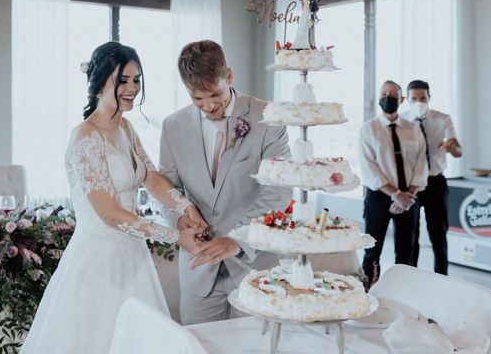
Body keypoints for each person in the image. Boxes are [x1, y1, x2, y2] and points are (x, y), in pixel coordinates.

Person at [20, 42, 206, 353]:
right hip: (97, 264)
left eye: (136, 80)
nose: (132, 88)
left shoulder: (126, 128)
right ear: (100, 82)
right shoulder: (84, 137)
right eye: (123, 80)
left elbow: (151, 177)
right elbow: (108, 213)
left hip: (132, 257)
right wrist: (175, 236)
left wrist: (187, 207)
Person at [159, 40, 292, 325]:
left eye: (215, 94)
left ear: (229, 76)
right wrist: (180, 222)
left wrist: (237, 240)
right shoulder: (172, 126)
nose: (208, 106)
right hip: (199, 269)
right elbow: (168, 190)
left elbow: (278, 193)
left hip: (257, 269)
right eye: (197, 98)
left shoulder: (269, 118)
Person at [358, 80, 428, 288]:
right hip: (379, 197)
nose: (388, 97)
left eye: (393, 94)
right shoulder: (369, 129)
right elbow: (369, 168)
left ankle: (404, 294)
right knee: (372, 249)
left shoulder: (413, 128)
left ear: (401, 99)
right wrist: (395, 194)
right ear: (379, 98)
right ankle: (368, 294)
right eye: (384, 93)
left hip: (409, 197)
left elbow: (421, 163)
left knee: (408, 250)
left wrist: (407, 195)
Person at [403, 80, 462, 275]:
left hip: (435, 182)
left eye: (422, 98)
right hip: (410, 184)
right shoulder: (401, 121)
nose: (419, 102)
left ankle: (441, 278)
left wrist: (451, 148)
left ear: (429, 98)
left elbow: (458, 151)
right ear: (407, 99)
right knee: (411, 235)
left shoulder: (442, 119)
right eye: (414, 99)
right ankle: (413, 277)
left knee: (438, 234)